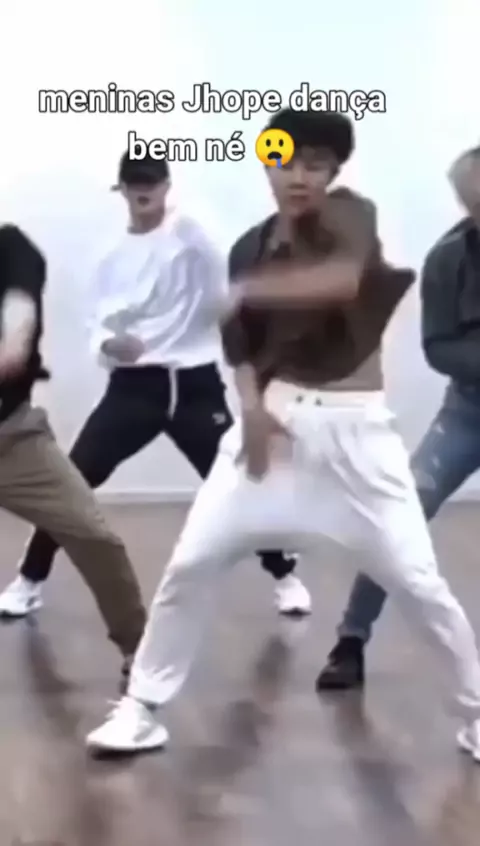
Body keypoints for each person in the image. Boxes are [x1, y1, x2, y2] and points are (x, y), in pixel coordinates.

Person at [85, 110, 480, 763]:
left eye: (315, 164)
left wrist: (245, 289)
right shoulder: (249, 244)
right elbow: (239, 345)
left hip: (358, 437)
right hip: (274, 427)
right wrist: (251, 410)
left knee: (417, 581)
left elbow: (338, 282)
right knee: (190, 563)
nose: (298, 177)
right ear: (268, 164)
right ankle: (141, 709)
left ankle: (476, 713)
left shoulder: (352, 218)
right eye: (285, 161)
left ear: (334, 172)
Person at [0, 152, 311, 620]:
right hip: (134, 389)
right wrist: (110, 344)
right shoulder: (108, 256)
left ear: (167, 186)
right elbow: (95, 325)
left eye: (153, 182)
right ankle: (29, 581)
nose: (144, 190)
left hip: (195, 388)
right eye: (135, 182)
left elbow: (223, 280)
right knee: (73, 482)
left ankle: (285, 577)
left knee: (234, 484)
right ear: (122, 189)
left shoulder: (193, 237)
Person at [317, 145, 480, 702]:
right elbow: (439, 347)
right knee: (401, 513)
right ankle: (351, 639)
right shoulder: (448, 260)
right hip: (469, 413)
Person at [0, 222, 146, 680]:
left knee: (93, 535)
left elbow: (17, 330)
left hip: (13, 441)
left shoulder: (11, 248)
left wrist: (14, 347)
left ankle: (139, 651)